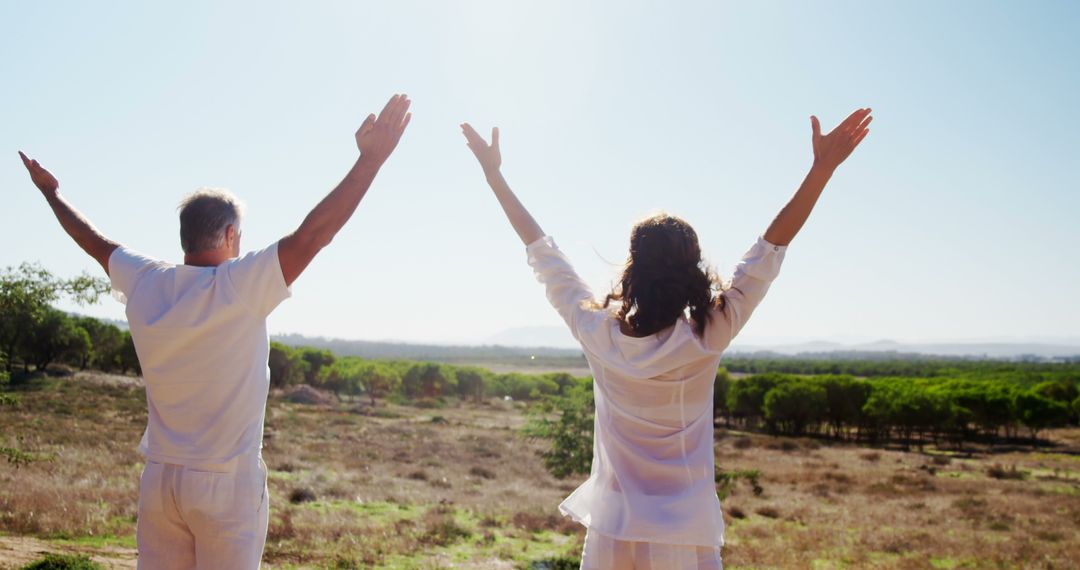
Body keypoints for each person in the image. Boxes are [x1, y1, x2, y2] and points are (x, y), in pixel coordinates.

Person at [460, 108, 872, 570]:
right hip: (685, 532)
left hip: (613, 531)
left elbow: (542, 253)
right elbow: (768, 252)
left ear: (634, 267)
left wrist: (494, 175)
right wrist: (821, 171)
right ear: (693, 268)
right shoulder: (709, 334)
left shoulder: (599, 333)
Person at [18, 93, 412, 569]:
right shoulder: (241, 285)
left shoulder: (146, 281)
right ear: (229, 236)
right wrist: (370, 161)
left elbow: (92, 241)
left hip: (161, 478)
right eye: (239, 237)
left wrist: (51, 194)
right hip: (226, 483)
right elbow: (314, 234)